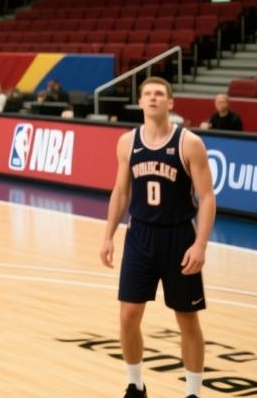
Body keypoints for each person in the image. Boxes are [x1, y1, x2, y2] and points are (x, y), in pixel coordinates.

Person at [100, 77, 215, 398]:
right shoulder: (127, 142)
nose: (152, 98)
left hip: (179, 237)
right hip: (140, 236)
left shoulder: (189, 143)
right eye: (147, 94)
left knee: (187, 320)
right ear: (140, 102)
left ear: (170, 102)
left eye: (159, 94)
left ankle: (193, 393)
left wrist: (200, 244)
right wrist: (108, 235)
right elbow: (121, 191)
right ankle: (135, 386)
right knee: (127, 316)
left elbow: (207, 197)